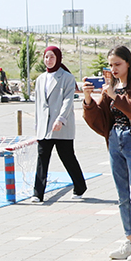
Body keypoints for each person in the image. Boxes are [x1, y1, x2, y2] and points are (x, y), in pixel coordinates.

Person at [83, 46, 131, 261]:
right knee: (122, 195)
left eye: (118, 64)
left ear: (128, 63)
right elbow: (101, 119)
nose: (113, 69)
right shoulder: (111, 87)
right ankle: (130, 241)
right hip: (115, 140)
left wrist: (116, 96)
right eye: (111, 65)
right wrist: (88, 100)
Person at [31, 45, 87, 200]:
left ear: (58, 58)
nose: (49, 60)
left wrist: (61, 119)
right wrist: (37, 126)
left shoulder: (67, 77)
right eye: (46, 57)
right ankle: (38, 193)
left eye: (52, 57)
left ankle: (80, 187)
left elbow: (68, 100)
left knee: (67, 157)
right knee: (42, 158)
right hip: (44, 127)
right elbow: (38, 105)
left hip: (62, 125)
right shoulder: (40, 79)